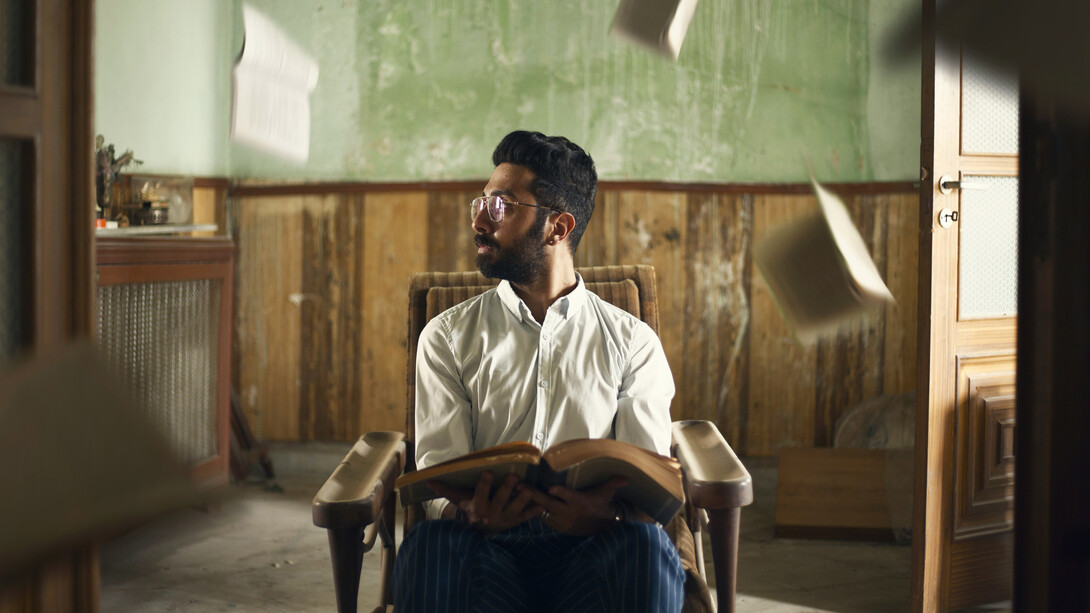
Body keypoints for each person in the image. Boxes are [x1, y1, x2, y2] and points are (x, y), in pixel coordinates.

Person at [393, 130, 684, 613]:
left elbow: (646, 487)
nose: (480, 221)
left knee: (646, 550)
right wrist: (466, 512)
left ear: (558, 227)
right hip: (487, 547)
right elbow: (438, 476)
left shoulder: (633, 343)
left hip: (593, 548)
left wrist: (607, 514)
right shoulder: (446, 337)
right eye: (480, 203)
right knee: (429, 547)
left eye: (501, 205)